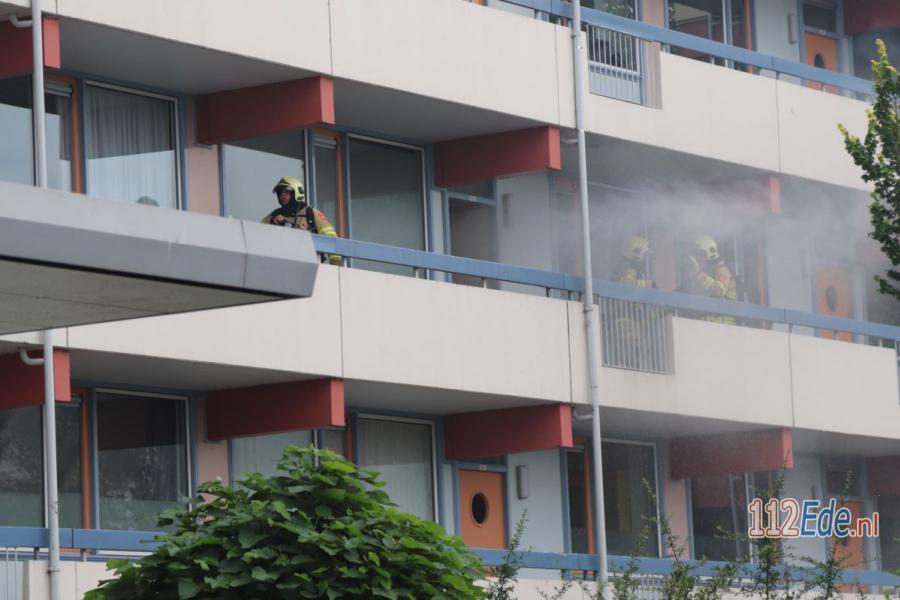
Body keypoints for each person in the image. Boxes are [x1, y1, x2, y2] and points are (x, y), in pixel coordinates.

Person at [262, 176, 341, 265]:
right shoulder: (275, 214)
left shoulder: (310, 213)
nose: (282, 195)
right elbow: (256, 231)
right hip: (281, 264)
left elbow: (331, 238)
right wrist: (273, 221)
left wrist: (335, 266)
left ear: (296, 192)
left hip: (310, 264)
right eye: (280, 193)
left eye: (286, 192)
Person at [682, 235, 737, 324]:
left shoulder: (722, 271)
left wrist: (697, 273)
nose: (697, 258)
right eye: (695, 255)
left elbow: (718, 291)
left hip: (724, 329)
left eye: (699, 255)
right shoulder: (705, 275)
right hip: (708, 329)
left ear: (710, 255)